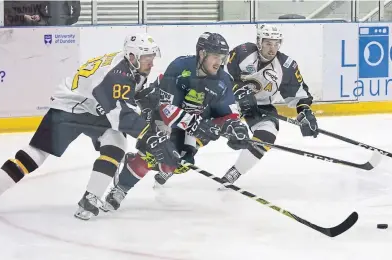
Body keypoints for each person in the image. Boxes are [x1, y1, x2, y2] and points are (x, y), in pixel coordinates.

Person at [0, 33, 180, 221]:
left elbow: (126, 100)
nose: (151, 62)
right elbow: (121, 115)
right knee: (35, 155)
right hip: (68, 108)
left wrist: (150, 115)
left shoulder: (133, 67)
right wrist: (151, 137)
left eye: (152, 56)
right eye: (147, 57)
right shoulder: (117, 75)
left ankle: (90, 198)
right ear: (133, 56)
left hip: (93, 109)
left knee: (116, 143)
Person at [100, 32, 250, 212]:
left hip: (191, 120)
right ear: (202, 54)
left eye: (222, 57)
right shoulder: (180, 67)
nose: (220, 62)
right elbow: (166, 110)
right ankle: (121, 188)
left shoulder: (223, 80)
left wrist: (236, 127)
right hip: (158, 112)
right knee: (155, 152)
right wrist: (196, 124)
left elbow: (228, 112)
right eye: (215, 57)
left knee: (181, 163)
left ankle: (156, 164)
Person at [219, 24, 318, 186]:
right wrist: (239, 90)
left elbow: (299, 95)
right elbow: (222, 74)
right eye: (268, 43)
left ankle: (235, 172)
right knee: (206, 126)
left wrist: (305, 112)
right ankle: (177, 158)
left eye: (276, 44)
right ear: (259, 42)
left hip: (260, 106)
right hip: (230, 100)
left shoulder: (286, 67)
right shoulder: (242, 52)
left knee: (268, 134)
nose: (272, 49)